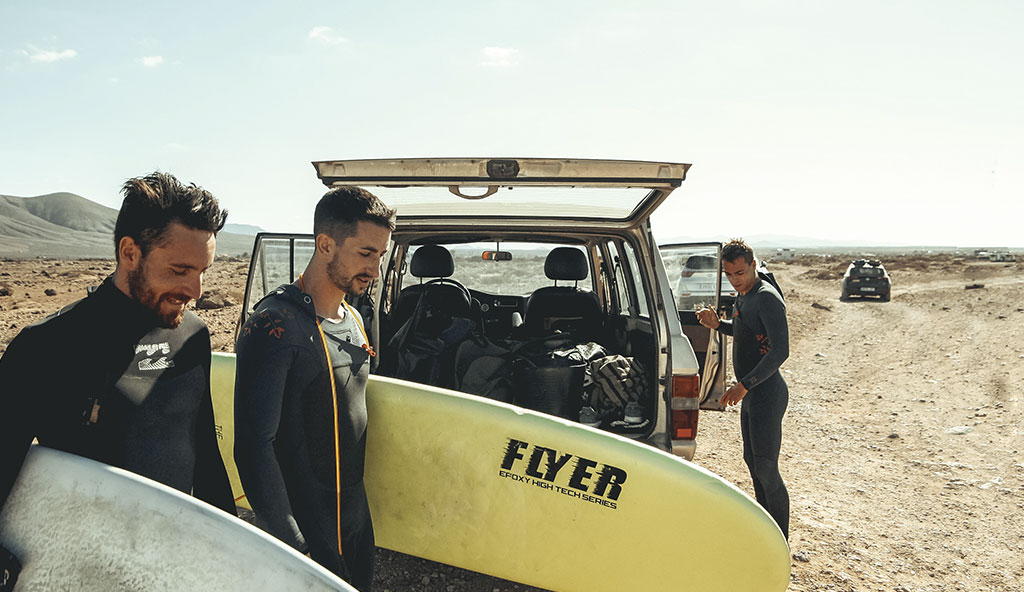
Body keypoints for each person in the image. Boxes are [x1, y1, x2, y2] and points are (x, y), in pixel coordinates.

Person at [0, 172, 236, 590]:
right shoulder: (44, 348)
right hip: (81, 573)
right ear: (130, 252)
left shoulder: (193, 337)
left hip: (171, 567)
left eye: (203, 271)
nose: (196, 290)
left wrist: (232, 551)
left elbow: (205, 454)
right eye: (180, 269)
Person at [234, 186, 395, 591]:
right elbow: (254, 449)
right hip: (308, 529)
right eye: (364, 253)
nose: (374, 269)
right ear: (325, 244)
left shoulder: (354, 319)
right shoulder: (275, 325)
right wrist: (294, 546)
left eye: (380, 255)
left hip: (356, 521)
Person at [695, 239, 790, 539]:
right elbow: (746, 329)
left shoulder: (766, 297)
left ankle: (780, 541)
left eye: (740, 272)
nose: (735, 280)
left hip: (766, 393)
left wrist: (744, 386)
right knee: (753, 463)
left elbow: (780, 351)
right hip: (751, 394)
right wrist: (718, 324)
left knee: (767, 469)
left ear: (752, 265)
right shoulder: (744, 296)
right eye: (729, 274)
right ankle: (767, 533)